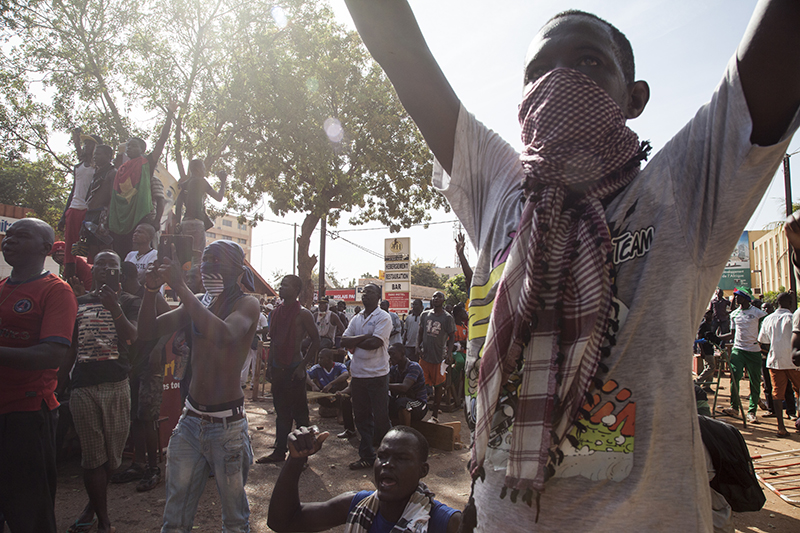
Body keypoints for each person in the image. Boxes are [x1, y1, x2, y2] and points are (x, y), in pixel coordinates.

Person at [343, 1, 800, 530]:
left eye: (587, 62)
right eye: (538, 72)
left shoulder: (679, 190)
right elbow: (401, 55)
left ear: (635, 98)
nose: (559, 80)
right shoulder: (501, 188)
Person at [138, 240, 260, 533]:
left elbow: (224, 334)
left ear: (238, 268)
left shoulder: (247, 303)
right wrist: (151, 289)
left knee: (234, 520)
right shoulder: (200, 302)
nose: (207, 267)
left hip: (227, 427)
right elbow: (147, 330)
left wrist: (181, 288)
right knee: (175, 518)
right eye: (205, 260)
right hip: (190, 423)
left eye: (217, 261)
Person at [0, 218, 77, 533]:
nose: (10, 239)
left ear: (46, 248)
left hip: (27, 416)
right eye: (9, 234)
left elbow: (52, 354)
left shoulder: (56, 291)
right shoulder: (2, 288)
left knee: (29, 514)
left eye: (22, 235)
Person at [61, 250, 140, 533]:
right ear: (93, 270)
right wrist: (58, 384)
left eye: (113, 265)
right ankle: (104, 521)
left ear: (120, 271)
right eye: (102, 264)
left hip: (117, 385)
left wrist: (114, 307)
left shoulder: (130, 302)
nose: (107, 268)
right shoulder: (78, 302)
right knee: (93, 458)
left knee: (112, 458)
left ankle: (93, 506)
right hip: (83, 386)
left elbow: (133, 335)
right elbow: (71, 347)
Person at [267, 425, 461, 533]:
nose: (387, 464)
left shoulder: (444, 522)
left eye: (402, 458)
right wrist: (295, 461)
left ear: (423, 470)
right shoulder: (358, 505)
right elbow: (283, 522)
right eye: (382, 456)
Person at [110, 261, 171, 493]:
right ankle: (138, 463)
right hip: (131, 363)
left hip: (151, 363)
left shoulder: (149, 292)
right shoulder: (119, 295)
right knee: (134, 414)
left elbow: (169, 321)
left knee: (147, 415)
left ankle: (153, 468)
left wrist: (158, 348)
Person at [257, 275, 320, 464]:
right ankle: (279, 451)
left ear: (296, 290)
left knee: (301, 415)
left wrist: (302, 367)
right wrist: (270, 367)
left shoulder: (303, 314)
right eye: (281, 285)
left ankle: (303, 457)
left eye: (286, 285)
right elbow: (274, 342)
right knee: (281, 412)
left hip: (295, 369)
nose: (281, 288)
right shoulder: (275, 312)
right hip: (278, 368)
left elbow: (316, 341)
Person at [109, 100, 177, 258]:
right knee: (121, 254)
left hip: (141, 217)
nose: (129, 148)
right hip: (121, 221)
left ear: (142, 149)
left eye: (133, 146)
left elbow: (162, 140)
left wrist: (170, 114)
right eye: (128, 146)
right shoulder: (121, 170)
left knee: (137, 254)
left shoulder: (147, 163)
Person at [341, 283, 393, 470]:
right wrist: (364, 337)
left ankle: (389, 456)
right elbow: (343, 340)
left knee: (381, 417)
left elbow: (376, 342)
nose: (365, 296)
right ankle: (367, 456)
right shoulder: (356, 318)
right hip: (358, 375)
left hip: (378, 374)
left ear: (378, 296)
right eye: (363, 292)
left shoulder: (383, 317)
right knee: (361, 417)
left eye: (370, 293)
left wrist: (357, 340)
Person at [719, 288, 767, 423]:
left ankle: (752, 412)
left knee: (755, 381)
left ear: (745, 298)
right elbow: (732, 335)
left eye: (738, 297)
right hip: (738, 350)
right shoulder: (734, 314)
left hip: (754, 351)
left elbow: (765, 328)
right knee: (734, 376)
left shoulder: (758, 313)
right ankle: (734, 407)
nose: (735, 299)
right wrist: (718, 338)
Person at [59, 128, 101, 279]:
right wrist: (64, 214)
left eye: (90, 144)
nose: (86, 147)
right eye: (85, 144)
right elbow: (73, 190)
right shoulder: (78, 167)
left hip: (88, 211)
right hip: (73, 209)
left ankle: (89, 279)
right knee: (70, 247)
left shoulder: (99, 168)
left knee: (88, 247)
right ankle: (69, 278)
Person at [759, 292, 800, 438]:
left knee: (777, 394)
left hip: (775, 360)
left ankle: (781, 427)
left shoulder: (768, 319)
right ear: (790, 303)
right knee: (799, 390)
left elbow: (763, 340)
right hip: (793, 361)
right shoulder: (793, 317)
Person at [175, 160, 226, 260]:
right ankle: (195, 275)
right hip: (197, 223)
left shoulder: (183, 184)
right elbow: (219, 198)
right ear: (198, 170)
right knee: (198, 255)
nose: (204, 171)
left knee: (186, 256)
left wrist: (178, 223)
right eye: (203, 168)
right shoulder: (201, 181)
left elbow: (178, 206)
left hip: (185, 223)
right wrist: (223, 182)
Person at [417, 291, 455, 422]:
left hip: (439, 358)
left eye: (439, 297)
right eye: (434, 296)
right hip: (425, 356)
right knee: (420, 384)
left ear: (443, 300)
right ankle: (419, 411)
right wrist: (417, 345)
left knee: (438, 386)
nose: (436, 298)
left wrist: (449, 353)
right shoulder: (425, 315)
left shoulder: (447, 318)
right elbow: (420, 332)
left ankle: (434, 415)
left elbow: (452, 337)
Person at [388, 343, 428, 426]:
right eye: (389, 354)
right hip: (403, 402)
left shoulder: (414, 367)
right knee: (383, 399)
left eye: (393, 354)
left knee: (403, 403)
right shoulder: (394, 369)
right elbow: (386, 382)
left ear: (402, 353)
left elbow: (404, 387)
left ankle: (405, 433)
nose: (390, 357)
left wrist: (383, 386)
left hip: (419, 405)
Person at [241, 306, 269, 389]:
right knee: (254, 362)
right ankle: (251, 383)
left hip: (249, 339)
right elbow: (266, 329)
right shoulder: (261, 316)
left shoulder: (249, 315)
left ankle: (244, 382)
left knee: (248, 361)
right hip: (253, 339)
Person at [696, 309, 721, 393]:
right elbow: (699, 338)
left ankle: (707, 385)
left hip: (710, 348)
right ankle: (698, 381)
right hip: (705, 349)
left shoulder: (711, 325)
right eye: (707, 315)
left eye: (711, 315)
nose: (710, 316)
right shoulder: (703, 325)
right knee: (711, 367)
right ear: (704, 316)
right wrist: (701, 350)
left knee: (709, 367)